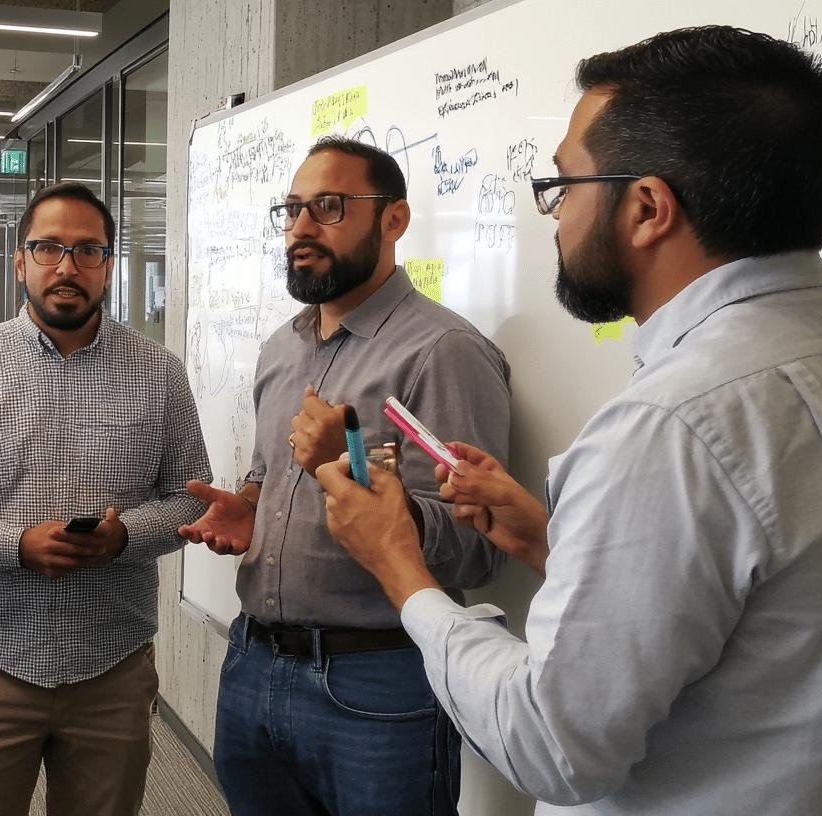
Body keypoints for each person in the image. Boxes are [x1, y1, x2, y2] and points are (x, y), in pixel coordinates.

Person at [314, 26, 822, 816]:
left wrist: (400, 568)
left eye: (564, 187)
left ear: (648, 208)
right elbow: (774, 623)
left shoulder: (671, 427)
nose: (554, 218)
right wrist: (549, 540)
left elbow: (551, 747)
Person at [178, 137, 510, 815]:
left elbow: (477, 545)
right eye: (293, 209)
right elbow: (267, 473)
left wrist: (347, 472)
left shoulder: (442, 353)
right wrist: (249, 505)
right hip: (254, 662)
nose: (301, 227)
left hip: (376, 681)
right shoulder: (281, 348)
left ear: (394, 220)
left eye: (328, 207)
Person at [0, 181, 212, 816]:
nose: (67, 266)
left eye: (88, 250)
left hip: (113, 669)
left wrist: (125, 536)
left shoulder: (159, 372)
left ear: (108, 264)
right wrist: (14, 546)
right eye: (47, 248)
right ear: (20, 261)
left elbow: (191, 498)